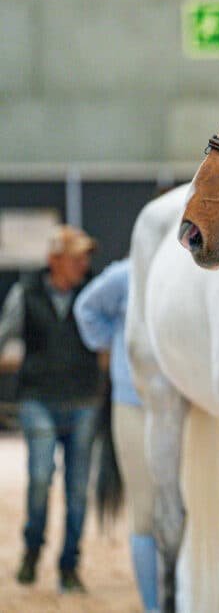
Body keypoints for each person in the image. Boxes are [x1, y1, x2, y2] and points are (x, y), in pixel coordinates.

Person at [0, 224, 102, 593]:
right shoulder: (25, 294)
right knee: (41, 479)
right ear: (53, 259)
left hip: (84, 401)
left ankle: (69, 565)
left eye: (85, 256)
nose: (83, 263)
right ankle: (31, 550)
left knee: (77, 491)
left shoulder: (93, 292)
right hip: (38, 399)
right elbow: (4, 335)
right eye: (76, 257)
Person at [73, 258, 159, 612]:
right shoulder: (127, 273)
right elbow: (86, 308)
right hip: (133, 402)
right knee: (145, 512)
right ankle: (154, 605)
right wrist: (113, 348)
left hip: (188, 407)